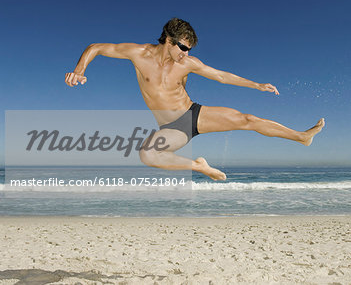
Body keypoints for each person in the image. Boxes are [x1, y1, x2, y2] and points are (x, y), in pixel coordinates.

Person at [65, 18, 325, 180]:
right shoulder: (139, 54)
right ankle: (200, 166)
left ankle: (302, 137)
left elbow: (221, 76)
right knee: (147, 155)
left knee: (247, 119)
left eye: (189, 49)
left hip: (193, 115)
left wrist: (256, 85)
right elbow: (96, 47)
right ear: (168, 40)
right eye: (183, 47)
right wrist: (79, 70)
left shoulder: (187, 63)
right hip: (171, 128)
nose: (186, 53)